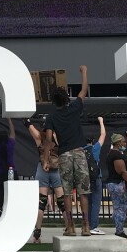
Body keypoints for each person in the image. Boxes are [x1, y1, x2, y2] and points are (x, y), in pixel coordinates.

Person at [42, 64, 91, 236]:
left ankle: (70, 227)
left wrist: (45, 159)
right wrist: (84, 73)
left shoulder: (52, 117)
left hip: (63, 155)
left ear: (54, 102)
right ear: (66, 98)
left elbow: (48, 140)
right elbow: (83, 91)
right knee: (83, 191)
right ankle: (86, 226)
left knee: (68, 193)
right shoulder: (75, 108)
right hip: (79, 152)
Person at [27, 118, 63, 243]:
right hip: (56, 169)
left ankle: (37, 234)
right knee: (62, 201)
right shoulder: (58, 137)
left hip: (42, 169)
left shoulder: (39, 137)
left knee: (41, 202)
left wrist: (27, 119)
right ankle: (69, 227)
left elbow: (28, 124)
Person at [104, 133, 127, 238]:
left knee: (122, 207)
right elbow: (122, 171)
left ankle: (119, 227)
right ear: (118, 143)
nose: (125, 143)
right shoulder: (116, 155)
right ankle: (119, 230)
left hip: (116, 184)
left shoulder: (113, 154)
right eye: (123, 141)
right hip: (118, 184)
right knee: (120, 207)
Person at [85, 116, 107, 235]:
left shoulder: (80, 150)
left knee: (87, 202)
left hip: (85, 178)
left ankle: (87, 225)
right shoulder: (95, 148)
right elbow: (103, 135)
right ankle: (93, 226)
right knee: (96, 202)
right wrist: (101, 122)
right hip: (96, 177)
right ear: (92, 141)